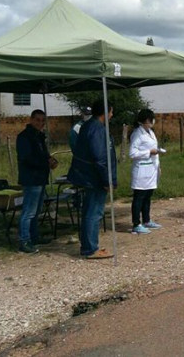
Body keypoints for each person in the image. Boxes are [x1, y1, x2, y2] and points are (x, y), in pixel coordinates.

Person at [68, 100, 117, 259]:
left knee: (89, 211)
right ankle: (90, 248)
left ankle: (88, 246)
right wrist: (106, 180)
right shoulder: (97, 129)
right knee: (93, 213)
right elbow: (99, 158)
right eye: (111, 111)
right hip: (94, 178)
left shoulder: (89, 126)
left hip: (89, 176)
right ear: (105, 112)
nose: (112, 115)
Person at [16, 109, 58, 253]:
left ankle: (34, 236)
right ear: (31, 120)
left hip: (40, 178)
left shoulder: (39, 136)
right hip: (31, 178)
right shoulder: (25, 137)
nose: (40, 123)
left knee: (36, 210)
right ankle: (24, 240)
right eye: (37, 120)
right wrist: (45, 163)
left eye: (42, 120)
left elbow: (43, 155)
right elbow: (26, 158)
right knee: (29, 211)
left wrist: (52, 161)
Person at [128, 109, 163, 234]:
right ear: (144, 120)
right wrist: (148, 152)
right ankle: (136, 224)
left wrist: (158, 166)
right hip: (141, 170)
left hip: (151, 168)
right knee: (139, 197)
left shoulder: (150, 132)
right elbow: (132, 153)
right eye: (150, 119)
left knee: (148, 195)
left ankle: (146, 220)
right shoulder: (138, 134)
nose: (152, 121)